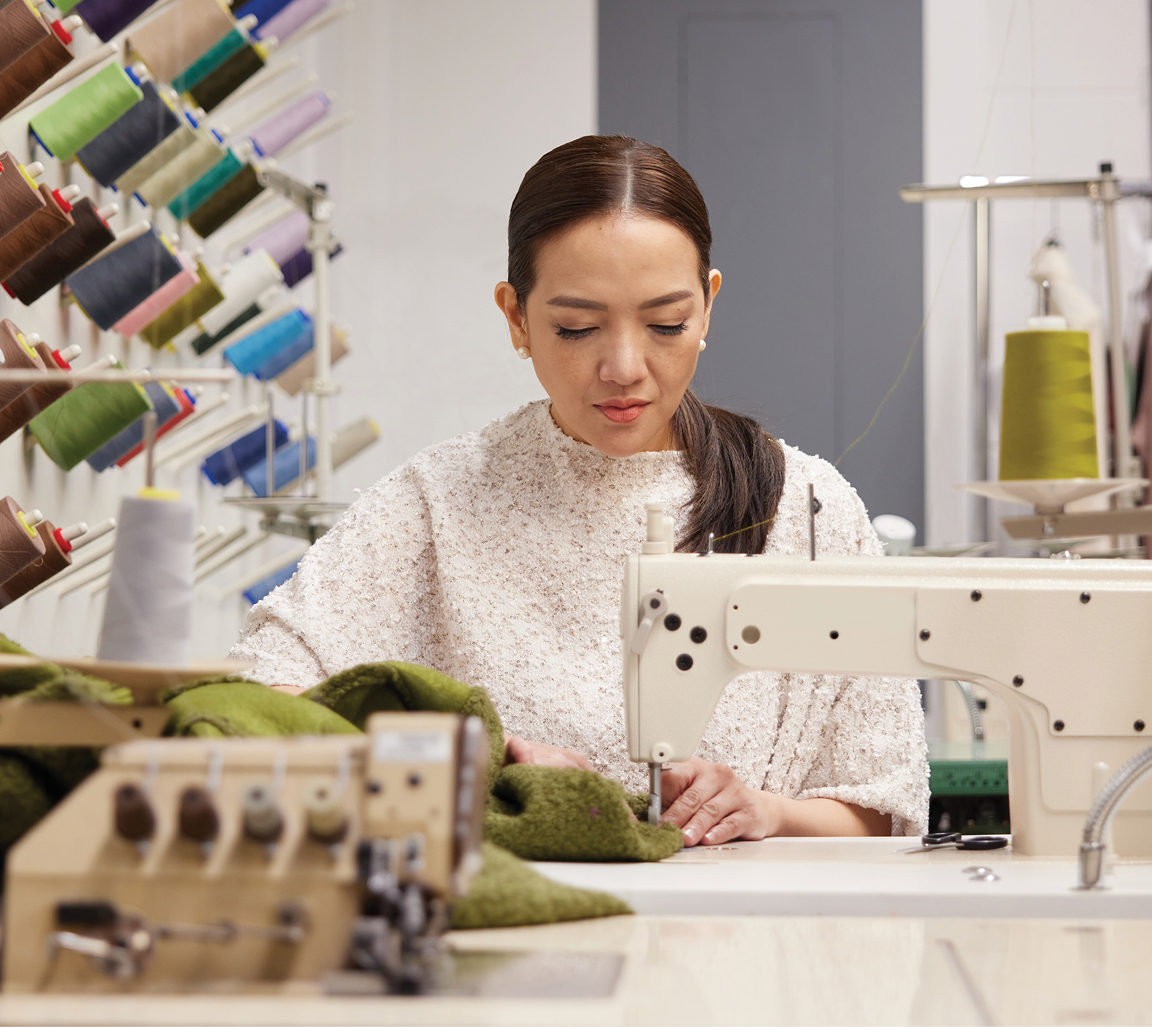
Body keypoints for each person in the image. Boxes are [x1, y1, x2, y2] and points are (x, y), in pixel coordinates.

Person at [232, 135, 929, 844]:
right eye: (576, 327)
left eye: (666, 324)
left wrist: (769, 811)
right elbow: (254, 702)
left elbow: (882, 804)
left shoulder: (807, 509)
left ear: (708, 305)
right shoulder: (436, 503)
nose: (624, 367)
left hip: (749, 944)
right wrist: (474, 761)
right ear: (515, 317)